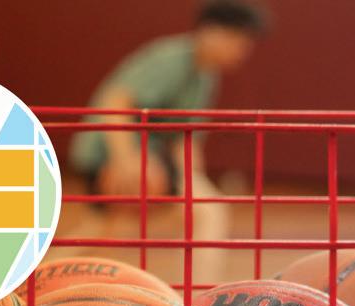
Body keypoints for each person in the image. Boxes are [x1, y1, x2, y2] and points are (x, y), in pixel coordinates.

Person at [71, 0, 266, 198]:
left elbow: (184, 140)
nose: (242, 52)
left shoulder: (207, 76)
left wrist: (196, 180)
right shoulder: (171, 60)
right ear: (210, 31)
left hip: (150, 158)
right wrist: (127, 160)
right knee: (194, 205)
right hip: (108, 154)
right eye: (237, 40)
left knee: (203, 203)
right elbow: (116, 102)